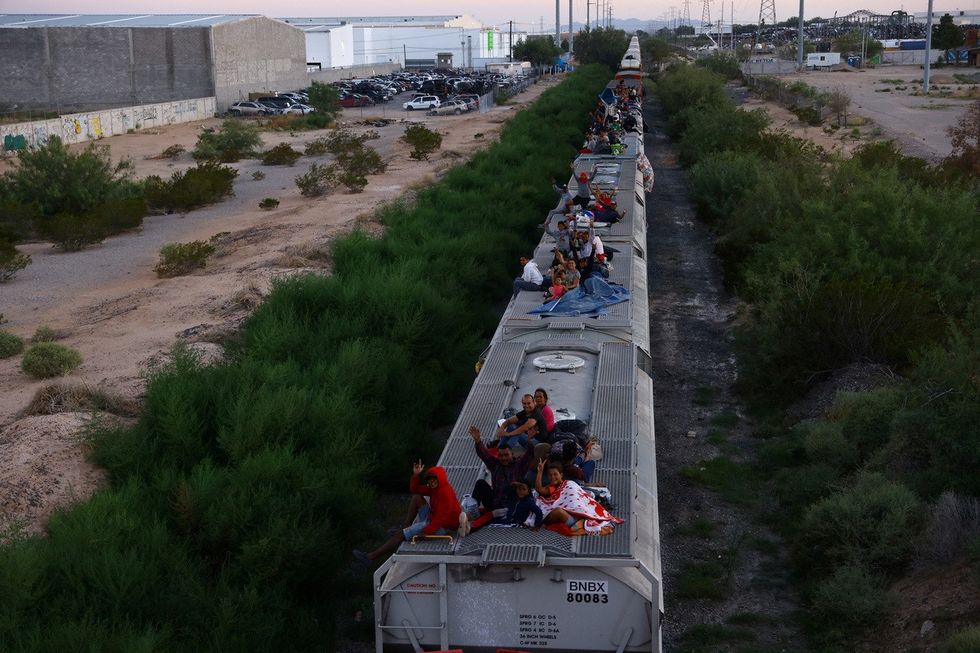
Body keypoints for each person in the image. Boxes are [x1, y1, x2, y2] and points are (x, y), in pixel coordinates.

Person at [354, 460, 462, 562]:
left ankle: (370, 557)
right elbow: (415, 490)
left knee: (401, 535)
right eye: (429, 479)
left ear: (440, 478)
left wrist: (426, 531)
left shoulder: (445, 493)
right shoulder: (435, 488)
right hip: (433, 518)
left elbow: (443, 517)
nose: (431, 481)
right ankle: (406, 527)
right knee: (417, 497)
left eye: (434, 478)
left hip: (443, 526)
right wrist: (415, 475)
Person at [533, 459, 622, 535]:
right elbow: (539, 489)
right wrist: (540, 471)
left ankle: (586, 522)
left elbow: (579, 494)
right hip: (569, 517)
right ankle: (579, 525)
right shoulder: (551, 488)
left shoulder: (569, 483)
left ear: (561, 475)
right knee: (558, 512)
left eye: (555, 474)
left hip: (579, 512)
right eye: (550, 475)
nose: (552, 477)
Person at [468, 425, 535, 513]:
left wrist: (530, 441)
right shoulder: (495, 464)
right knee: (480, 483)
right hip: (495, 503)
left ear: (512, 454)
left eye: (506, 455)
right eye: (501, 456)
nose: (503, 458)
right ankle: (472, 513)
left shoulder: (519, 465)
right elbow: (484, 454)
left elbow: (529, 455)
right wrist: (478, 441)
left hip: (512, 505)